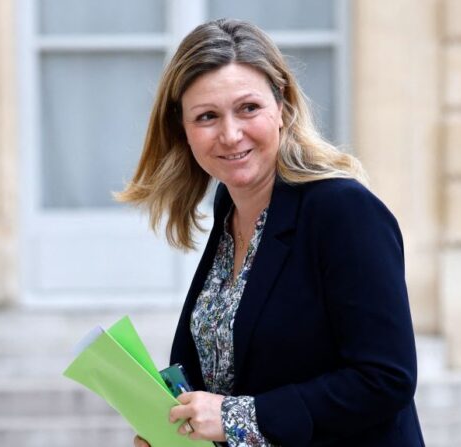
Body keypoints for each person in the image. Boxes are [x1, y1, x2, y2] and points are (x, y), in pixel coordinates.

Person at [115, 18, 424, 447]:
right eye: (207, 117)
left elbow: (386, 379)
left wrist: (234, 417)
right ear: (182, 131)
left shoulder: (343, 210)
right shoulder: (229, 210)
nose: (230, 133)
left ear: (283, 106)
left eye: (248, 108)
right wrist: (178, 429)